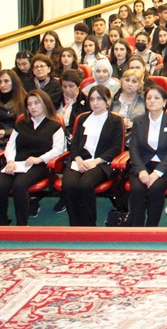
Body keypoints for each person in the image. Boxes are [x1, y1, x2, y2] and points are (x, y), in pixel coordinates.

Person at [0, 90, 66, 226]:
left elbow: (58, 149)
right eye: (29, 104)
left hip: (39, 165)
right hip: (17, 163)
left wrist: (39, 159)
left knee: (19, 185)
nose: (33, 107)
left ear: (45, 104)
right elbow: (10, 146)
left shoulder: (54, 125)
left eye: (37, 103)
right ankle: (1, 224)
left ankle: (21, 224)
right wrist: (10, 161)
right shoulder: (21, 124)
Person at [60, 85, 124, 226]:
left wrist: (95, 162)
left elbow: (115, 148)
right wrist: (78, 159)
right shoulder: (83, 118)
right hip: (80, 160)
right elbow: (75, 143)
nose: (95, 103)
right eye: (92, 99)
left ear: (107, 100)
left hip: (101, 163)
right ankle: (75, 225)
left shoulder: (115, 120)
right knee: (68, 185)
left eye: (99, 99)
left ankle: (89, 225)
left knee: (85, 184)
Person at [127, 84, 167, 227]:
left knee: (156, 187)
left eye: (157, 98)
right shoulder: (139, 121)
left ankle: (151, 228)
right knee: (137, 189)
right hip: (144, 164)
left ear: (164, 102)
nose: (152, 101)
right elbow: (133, 148)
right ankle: (137, 228)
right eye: (149, 98)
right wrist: (141, 170)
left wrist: (156, 173)